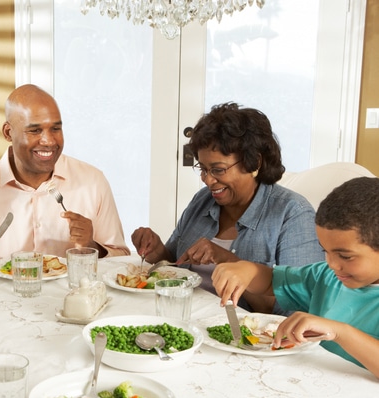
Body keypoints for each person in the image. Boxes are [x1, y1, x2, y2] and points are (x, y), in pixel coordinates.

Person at [131, 102, 323, 313]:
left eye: (218, 170)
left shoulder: (293, 215)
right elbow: (173, 266)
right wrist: (156, 250)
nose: (207, 180)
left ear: (254, 163)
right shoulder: (203, 200)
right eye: (203, 169)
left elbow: (293, 311)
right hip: (182, 317)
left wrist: (225, 258)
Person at [212, 176, 379, 378]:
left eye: (345, 256)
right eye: (325, 251)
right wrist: (246, 270)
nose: (332, 263)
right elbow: (270, 282)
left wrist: (339, 332)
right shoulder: (326, 276)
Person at [0, 84, 130, 269]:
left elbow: (121, 261)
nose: (48, 141)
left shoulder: (93, 182)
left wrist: (92, 246)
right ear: (8, 133)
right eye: (35, 130)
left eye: (55, 129)